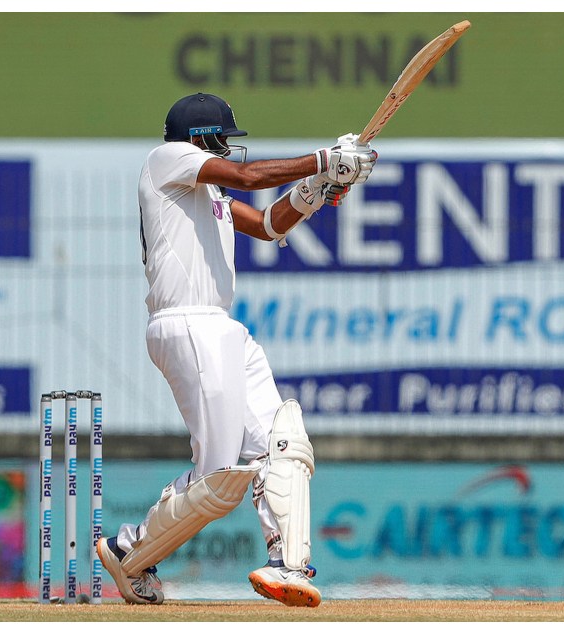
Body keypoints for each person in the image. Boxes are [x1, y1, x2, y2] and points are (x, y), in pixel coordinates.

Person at [96, 93, 377, 607]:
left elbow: (270, 225)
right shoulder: (167, 160)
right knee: (220, 479)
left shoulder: (208, 195)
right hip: (187, 323)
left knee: (282, 440)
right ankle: (129, 550)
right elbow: (248, 177)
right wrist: (323, 158)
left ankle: (288, 566)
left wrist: (317, 187)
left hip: (221, 327)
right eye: (222, 139)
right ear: (201, 137)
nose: (228, 148)